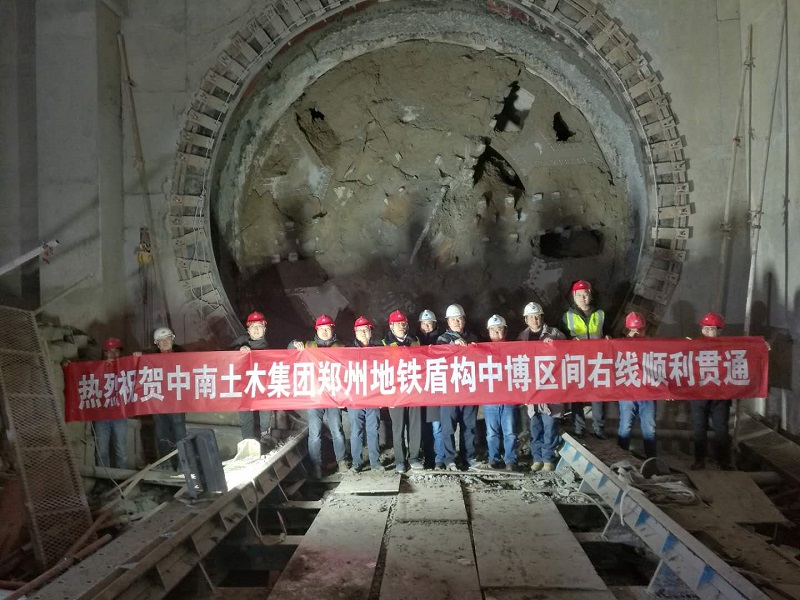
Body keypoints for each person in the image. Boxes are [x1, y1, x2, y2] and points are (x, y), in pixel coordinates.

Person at [290, 314, 348, 479]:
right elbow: (289, 350)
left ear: (332, 330)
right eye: (321, 328)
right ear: (316, 330)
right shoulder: (308, 345)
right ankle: (316, 465)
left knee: (337, 430)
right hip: (315, 396)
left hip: (333, 396)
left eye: (327, 328)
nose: (324, 331)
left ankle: (341, 461)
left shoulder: (341, 347)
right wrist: (294, 344)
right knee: (314, 433)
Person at [518, 302, 566, 472]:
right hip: (532, 389)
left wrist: (555, 344)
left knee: (550, 425)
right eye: (531, 317)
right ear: (526, 319)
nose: (535, 319)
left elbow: (569, 351)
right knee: (535, 425)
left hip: (550, 388)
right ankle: (537, 458)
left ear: (542, 317)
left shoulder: (554, 333)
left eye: (537, 316)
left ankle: (548, 459)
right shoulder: (521, 338)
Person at [437, 303, 480, 471]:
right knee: (448, 428)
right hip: (450, 391)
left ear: (464, 320)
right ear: (448, 322)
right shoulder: (442, 339)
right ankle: (449, 459)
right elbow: (439, 357)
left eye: (459, 318)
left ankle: (468, 457)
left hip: (469, 390)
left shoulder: (474, 338)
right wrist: (453, 345)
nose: (456, 321)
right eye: (453, 319)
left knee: (469, 427)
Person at [563, 280, 607, 439]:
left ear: (591, 295)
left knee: (598, 397)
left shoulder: (600, 314)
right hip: (577, 362)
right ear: (574, 297)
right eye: (579, 295)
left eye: (586, 294)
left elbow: (607, 332)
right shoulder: (567, 316)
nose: (583, 298)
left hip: (596, 361)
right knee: (577, 397)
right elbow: (562, 338)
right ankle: (579, 429)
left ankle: (599, 430)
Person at [382, 310, 423, 473]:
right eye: (397, 324)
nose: (401, 326)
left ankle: (414, 457)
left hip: (413, 389)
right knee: (398, 427)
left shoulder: (415, 341)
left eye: (403, 323)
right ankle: (400, 460)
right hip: (395, 393)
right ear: (391, 326)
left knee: (415, 426)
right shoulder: (383, 344)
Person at [690, 312, 732, 470]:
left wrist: (761, 347)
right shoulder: (694, 345)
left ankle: (724, 461)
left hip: (719, 397)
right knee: (699, 429)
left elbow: (747, 353)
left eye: (711, 329)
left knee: (721, 430)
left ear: (719, 331)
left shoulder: (728, 347)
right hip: (699, 396)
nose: (707, 331)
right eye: (705, 328)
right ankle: (699, 460)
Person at [616, 312, 657, 458]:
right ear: (627, 330)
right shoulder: (619, 347)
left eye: (640, 330)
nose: (637, 334)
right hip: (628, 391)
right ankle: (621, 457)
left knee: (649, 428)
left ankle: (652, 460)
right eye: (633, 331)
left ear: (645, 330)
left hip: (647, 392)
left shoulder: (653, 347)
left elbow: (661, 368)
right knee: (625, 426)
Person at [234, 311, 274, 450]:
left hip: (263, 387)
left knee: (265, 412)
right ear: (248, 330)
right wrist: (238, 350)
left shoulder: (271, 346)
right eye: (253, 326)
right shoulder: (240, 344)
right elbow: (224, 356)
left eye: (259, 326)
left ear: (265, 329)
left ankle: (265, 438)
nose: (256, 329)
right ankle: (248, 444)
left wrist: (294, 344)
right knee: (246, 416)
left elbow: (287, 353)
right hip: (245, 387)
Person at [482, 315, 517, 471]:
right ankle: (494, 459)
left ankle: (510, 460)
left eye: (500, 329)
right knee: (492, 433)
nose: (497, 333)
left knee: (510, 432)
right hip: (490, 399)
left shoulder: (514, 350)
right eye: (493, 330)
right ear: (489, 332)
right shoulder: (482, 351)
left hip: (508, 398)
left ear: (505, 331)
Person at [150, 326, 187, 467]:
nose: (165, 342)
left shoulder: (184, 356)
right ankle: (166, 465)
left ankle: (183, 465)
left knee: (180, 434)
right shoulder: (150, 360)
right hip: (158, 404)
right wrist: (137, 358)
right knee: (162, 435)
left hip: (177, 403)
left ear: (173, 340)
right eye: (161, 340)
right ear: (157, 343)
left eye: (168, 339)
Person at [349, 316, 382, 472]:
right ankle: (357, 462)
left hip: (373, 397)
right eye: (360, 330)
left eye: (366, 330)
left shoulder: (379, 350)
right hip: (355, 398)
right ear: (355, 332)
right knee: (356, 431)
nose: (363, 333)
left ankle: (375, 462)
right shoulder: (347, 351)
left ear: (371, 331)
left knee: (373, 430)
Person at [93, 337, 129, 469]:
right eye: (109, 351)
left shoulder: (126, 367)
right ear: (104, 353)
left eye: (116, 351)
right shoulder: (97, 368)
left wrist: (137, 358)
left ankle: (122, 479)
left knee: (121, 450)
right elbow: (84, 375)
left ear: (120, 353)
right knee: (101, 451)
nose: (113, 355)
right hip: (101, 416)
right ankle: (104, 478)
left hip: (120, 416)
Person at [417, 309, 444, 469]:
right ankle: (428, 458)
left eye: (430, 323)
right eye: (424, 323)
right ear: (420, 324)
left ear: (435, 324)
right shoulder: (414, 340)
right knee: (425, 427)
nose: (427, 326)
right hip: (420, 389)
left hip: (437, 388)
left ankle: (440, 458)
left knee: (437, 425)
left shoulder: (442, 340)